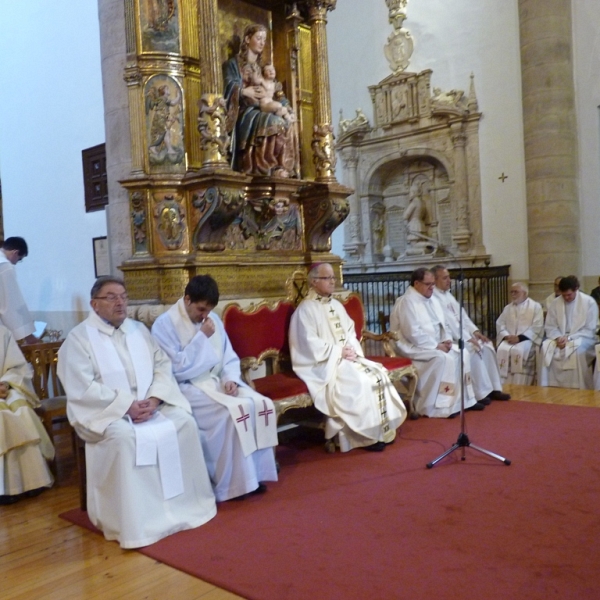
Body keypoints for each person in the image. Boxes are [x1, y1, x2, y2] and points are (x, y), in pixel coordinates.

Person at [57, 276, 216, 548]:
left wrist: (154, 399)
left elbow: (161, 366)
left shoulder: (139, 330)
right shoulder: (79, 339)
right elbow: (82, 387)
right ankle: (136, 520)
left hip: (148, 405)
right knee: (123, 438)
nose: (120, 302)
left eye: (123, 296)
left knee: (184, 423)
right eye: (111, 297)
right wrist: (125, 406)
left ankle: (186, 506)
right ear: (94, 304)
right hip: (108, 412)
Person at [151, 275, 278, 501]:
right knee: (231, 413)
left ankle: (254, 475)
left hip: (217, 382)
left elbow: (228, 355)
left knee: (259, 404)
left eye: (209, 310)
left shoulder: (212, 321)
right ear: (187, 299)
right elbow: (175, 369)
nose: (204, 316)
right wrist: (201, 338)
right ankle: (230, 484)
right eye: (201, 309)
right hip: (187, 387)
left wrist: (230, 377)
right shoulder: (164, 325)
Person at [289, 263, 407, 452]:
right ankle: (363, 437)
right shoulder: (306, 310)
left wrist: (351, 350)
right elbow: (308, 343)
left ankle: (381, 431)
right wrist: (338, 352)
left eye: (333, 277)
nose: (332, 281)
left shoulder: (336, 305)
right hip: (323, 364)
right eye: (327, 278)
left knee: (378, 373)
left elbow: (350, 332)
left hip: (347, 358)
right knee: (360, 381)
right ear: (313, 281)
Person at [390, 267, 481, 418]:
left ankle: (461, 401)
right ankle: (436, 406)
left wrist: (446, 340)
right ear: (417, 283)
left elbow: (443, 324)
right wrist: (436, 346)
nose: (432, 287)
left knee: (462, 352)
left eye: (433, 283)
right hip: (411, 346)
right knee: (443, 358)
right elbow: (412, 332)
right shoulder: (406, 302)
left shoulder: (432, 299)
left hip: (434, 343)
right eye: (428, 284)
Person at [223, 23, 298, 177]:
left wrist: (288, 108)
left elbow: (276, 92)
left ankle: (283, 167)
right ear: (247, 39)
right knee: (274, 122)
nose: (262, 42)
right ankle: (263, 166)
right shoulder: (233, 64)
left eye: (264, 39)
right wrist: (243, 91)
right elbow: (227, 87)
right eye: (259, 38)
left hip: (264, 107)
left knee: (289, 123)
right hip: (245, 111)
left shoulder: (262, 69)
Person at [431, 265, 510, 403]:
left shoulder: (447, 295)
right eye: (445, 278)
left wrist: (475, 332)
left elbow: (462, 316)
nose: (449, 280)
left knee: (487, 346)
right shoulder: (434, 298)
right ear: (435, 279)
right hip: (453, 339)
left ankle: (494, 388)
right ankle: (480, 393)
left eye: (449, 277)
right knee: (473, 350)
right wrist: (467, 339)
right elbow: (449, 324)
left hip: (464, 335)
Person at [0, 323, 54, 505]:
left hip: (4, 389)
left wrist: (7, 383)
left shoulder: (3, 332)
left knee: (22, 410)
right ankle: (5, 489)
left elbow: (18, 367)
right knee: (3, 416)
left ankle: (32, 481)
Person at [539, 275, 598, 389]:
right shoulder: (555, 303)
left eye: (569, 294)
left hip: (583, 338)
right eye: (564, 295)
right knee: (545, 348)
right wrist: (558, 338)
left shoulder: (589, 302)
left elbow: (590, 329)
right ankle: (549, 386)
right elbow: (550, 326)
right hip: (560, 337)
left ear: (576, 289)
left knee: (576, 352)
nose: (566, 298)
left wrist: (569, 338)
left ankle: (579, 386)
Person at [496, 283, 544, 385]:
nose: (513, 294)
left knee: (519, 350)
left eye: (516, 292)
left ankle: (521, 385)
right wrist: (506, 335)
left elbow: (537, 326)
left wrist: (520, 338)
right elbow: (500, 323)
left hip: (526, 340)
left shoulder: (535, 307)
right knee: (502, 350)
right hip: (509, 339)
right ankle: (503, 384)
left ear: (525, 293)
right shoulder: (508, 308)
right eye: (511, 292)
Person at [0, 237, 38, 344]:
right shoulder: (4, 267)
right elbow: (12, 304)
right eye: (20, 259)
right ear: (15, 253)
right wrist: (28, 335)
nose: (16, 263)